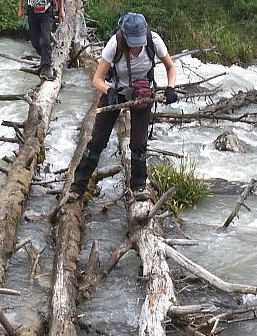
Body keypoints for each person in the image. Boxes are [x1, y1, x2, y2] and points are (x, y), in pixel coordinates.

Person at [69, 12, 179, 201]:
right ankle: (77, 186)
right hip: (115, 92)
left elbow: (171, 67)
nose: (136, 46)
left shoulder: (154, 41)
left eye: (139, 41)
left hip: (142, 93)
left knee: (138, 143)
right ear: (125, 36)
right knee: (97, 142)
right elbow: (97, 79)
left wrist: (170, 88)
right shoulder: (115, 43)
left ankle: (138, 187)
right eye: (133, 42)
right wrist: (109, 92)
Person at [18, 0, 65, 80]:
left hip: (46, 11)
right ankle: (45, 60)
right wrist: (20, 8)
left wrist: (61, 10)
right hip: (32, 11)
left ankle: (47, 68)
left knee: (45, 40)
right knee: (35, 42)